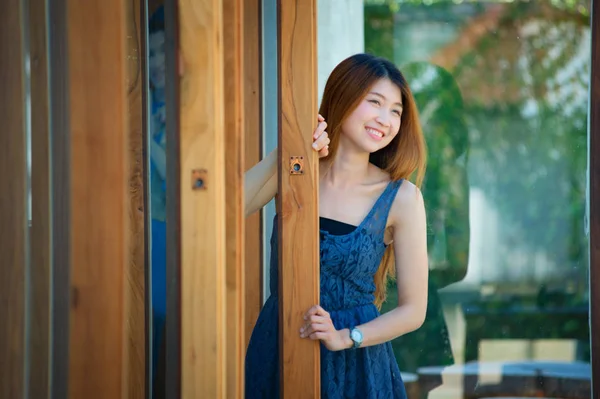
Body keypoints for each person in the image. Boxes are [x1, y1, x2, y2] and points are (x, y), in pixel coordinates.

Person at [244, 53, 429, 398]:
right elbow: (230, 207)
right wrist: (289, 149)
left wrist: (346, 337)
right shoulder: (297, 172)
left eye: (395, 111)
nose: (385, 119)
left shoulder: (401, 198)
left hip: (355, 365)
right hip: (278, 347)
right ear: (343, 96)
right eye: (374, 102)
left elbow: (413, 311)